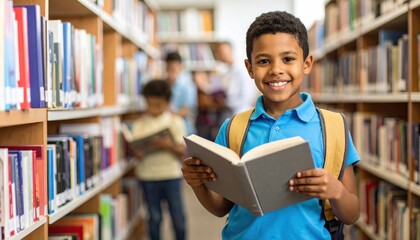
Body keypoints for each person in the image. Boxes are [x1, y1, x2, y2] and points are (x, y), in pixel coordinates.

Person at [181, 11, 360, 239]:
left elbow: (352, 214)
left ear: (307, 63)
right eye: (264, 61)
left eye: (288, 59)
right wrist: (197, 183)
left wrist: (335, 191)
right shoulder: (233, 128)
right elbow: (220, 207)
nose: (276, 69)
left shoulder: (333, 127)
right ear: (250, 68)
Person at [131, 80, 187, 240]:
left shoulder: (175, 121)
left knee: (178, 216)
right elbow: (136, 150)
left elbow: (181, 150)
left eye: (158, 105)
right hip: (148, 176)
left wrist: (166, 145)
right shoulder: (139, 123)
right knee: (154, 217)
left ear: (168, 103)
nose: (153, 109)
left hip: (171, 175)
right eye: (150, 105)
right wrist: (139, 151)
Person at [164, 51, 197, 136]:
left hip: (185, 131)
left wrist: (167, 113)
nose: (170, 73)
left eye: (173, 69)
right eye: (168, 69)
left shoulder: (188, 86)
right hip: (168, 129)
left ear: (180, 67)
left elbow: (184, 112)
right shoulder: (164, 84)